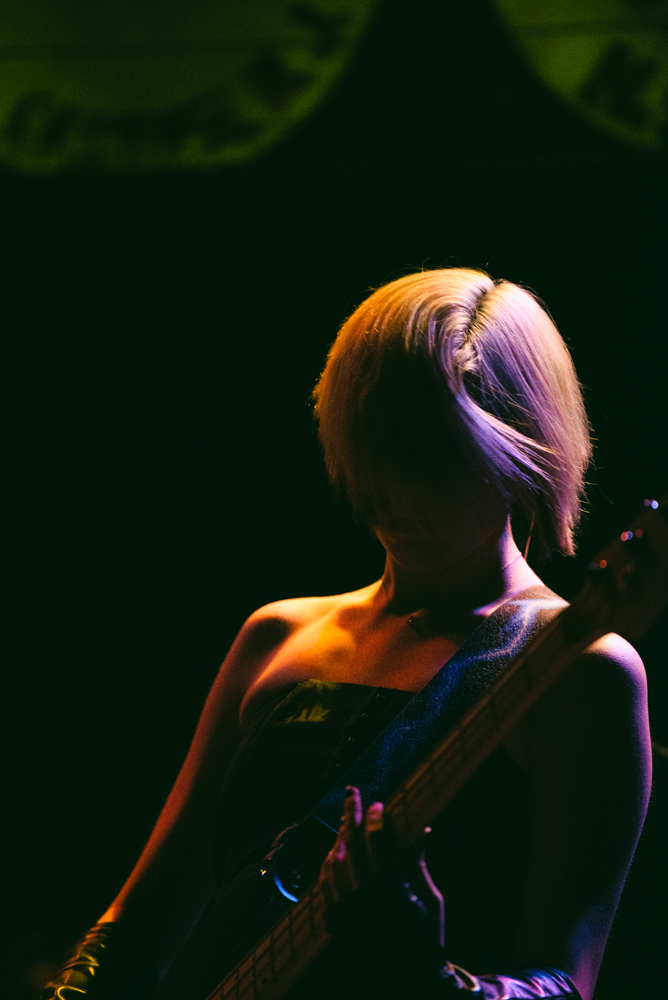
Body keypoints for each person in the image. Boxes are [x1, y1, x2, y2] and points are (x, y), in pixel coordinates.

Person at [43, 268, 651, 1000]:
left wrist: (427, 979)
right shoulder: (275, 637)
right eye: (378, 443)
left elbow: (565, 979)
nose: (398, 487)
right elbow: (139, 928)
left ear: (524, 445)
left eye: (438, 451)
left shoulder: (579, 668)